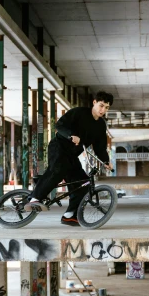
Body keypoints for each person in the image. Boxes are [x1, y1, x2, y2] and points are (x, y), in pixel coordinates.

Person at [25, 91, 114, 226]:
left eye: (106, 108)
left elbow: (100, 147)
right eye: (101, 106)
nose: (103, 110)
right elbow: (59, 125)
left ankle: (70, 215)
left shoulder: (101, 125)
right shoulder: (79, 112)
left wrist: (106, 161)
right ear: (94, 102)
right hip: (59, 147)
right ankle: (35, 198)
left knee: (83, 184)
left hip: (72, 154)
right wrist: (71, 135)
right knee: (58, 169)